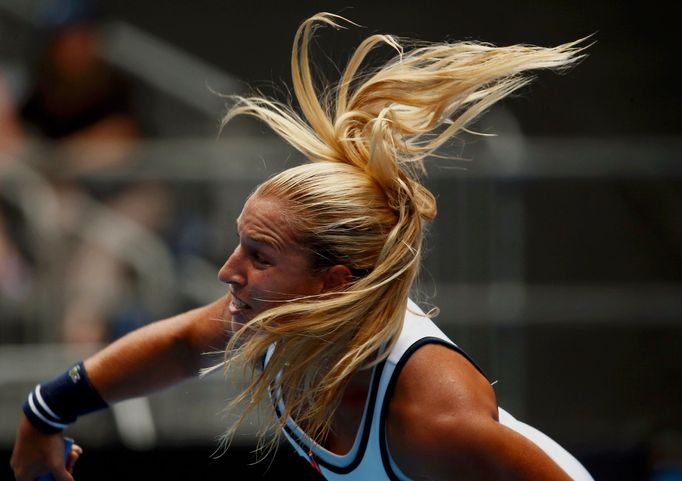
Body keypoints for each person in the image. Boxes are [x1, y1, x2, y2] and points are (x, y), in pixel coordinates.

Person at [10, 12, 595, 481]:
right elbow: (185, 345)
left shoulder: (435, 420)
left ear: (332, 284)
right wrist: (44, 413)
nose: (226, 271)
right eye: (240, 246)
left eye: (259, 256)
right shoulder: (279, 318)